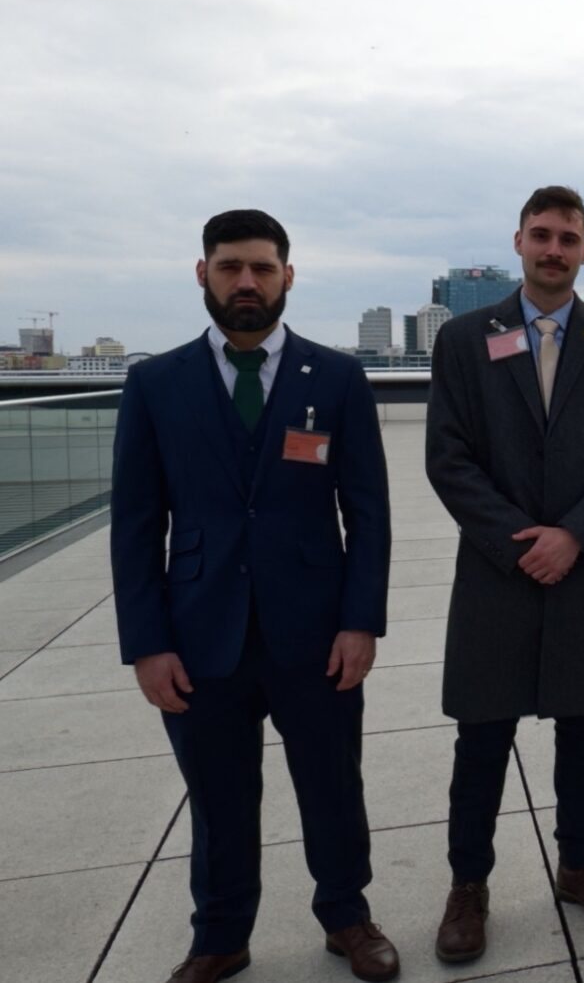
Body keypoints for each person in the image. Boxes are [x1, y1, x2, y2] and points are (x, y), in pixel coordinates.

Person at [111, 209, 397, 983]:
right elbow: (136, 526)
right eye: (231, 266)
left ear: (287, 278)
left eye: (263, 268)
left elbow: (367, 514)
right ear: (202, 273)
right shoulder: (154, 384)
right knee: (218, 797)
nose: (247, 282)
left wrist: (361, 622)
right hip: (200, 636)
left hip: (316, 633)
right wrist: (146, 642)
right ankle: (221, 935)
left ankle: (347, 915)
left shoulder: (336, 379)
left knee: (334, 786)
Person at [424, 186, 584, 964]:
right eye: (542, 235)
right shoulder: (464, 339)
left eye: (569, 238)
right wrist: (520, 541)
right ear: (519, 241)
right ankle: (469, 885)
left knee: (583, 723)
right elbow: (448, 458)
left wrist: (575, 536)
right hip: (499, 568)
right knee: (482, 733)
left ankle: (580, 863)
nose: (554, 249)